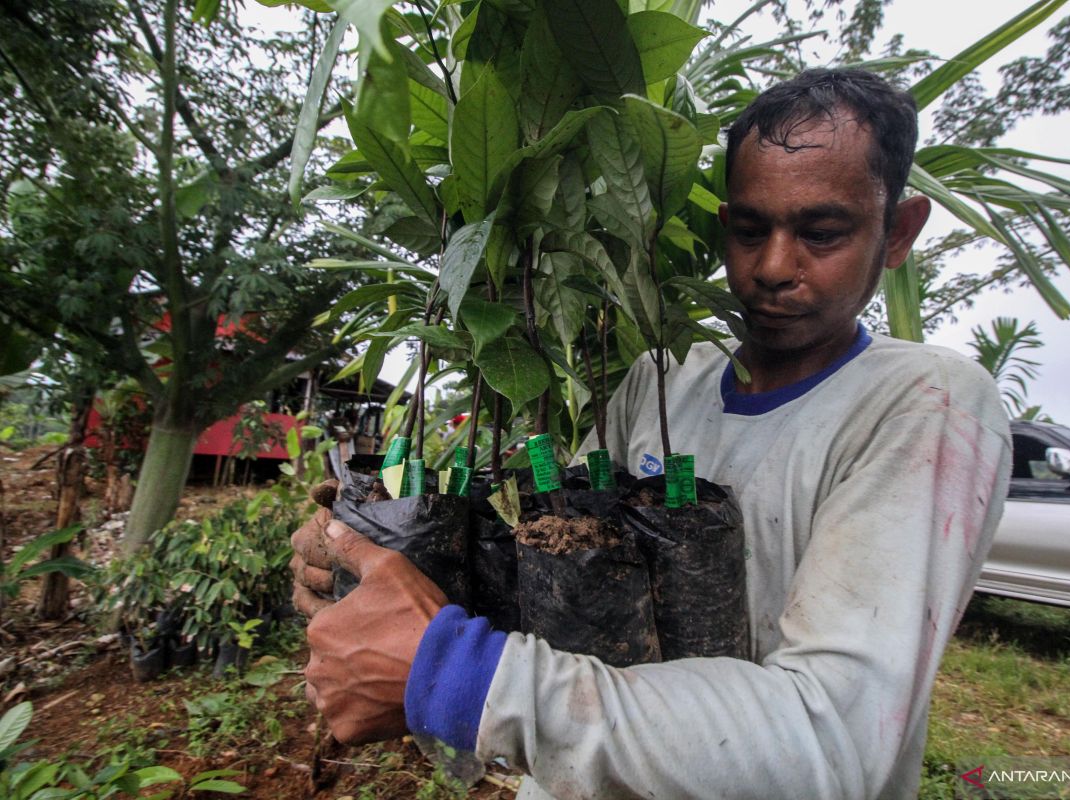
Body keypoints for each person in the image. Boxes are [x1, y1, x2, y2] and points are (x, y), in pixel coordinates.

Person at [291, 68, 1012, 800]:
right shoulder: (662, 378)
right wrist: (377, 569)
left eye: (822, 233)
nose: (773, 268)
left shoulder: (926, 406)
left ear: (899, 232)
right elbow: (554, 584)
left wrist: (461, 676)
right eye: (750, 230)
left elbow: (833, 738)